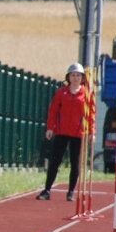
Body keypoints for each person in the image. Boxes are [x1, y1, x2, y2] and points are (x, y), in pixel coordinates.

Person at [36, 62, 93, 202]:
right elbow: (53, 111)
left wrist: (92, 131)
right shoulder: (61, 92)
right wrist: (50, 128)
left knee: (75, 163)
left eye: (78, 75)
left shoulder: (86, 94)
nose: (75, 78)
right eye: (73, 75)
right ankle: (47, 190)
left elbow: (91, 114)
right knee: (55, 161)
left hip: (78, 134)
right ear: (68, 77)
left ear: (82, 77)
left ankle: (71, 192)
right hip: (61, 132)